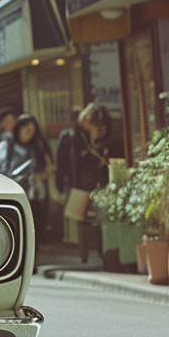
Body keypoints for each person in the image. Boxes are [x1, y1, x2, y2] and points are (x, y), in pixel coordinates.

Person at [0, 113, 53, 244]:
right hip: (13, 194)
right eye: (26, 128)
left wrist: (43, 173)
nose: (29, 132)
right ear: (19, 128)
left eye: (32, 129)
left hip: (35, 195)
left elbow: (49, 165)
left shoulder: (38, 146)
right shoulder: (7, 147)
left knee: (34, 230)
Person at [58, 103, 111, 261]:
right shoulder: (73, 135)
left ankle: (102, 250)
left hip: (100, 180)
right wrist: (62, 180)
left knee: (99, 216)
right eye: (86, 118)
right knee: (82, 218)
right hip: (81, 181)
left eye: (91, 120)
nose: (87, 122)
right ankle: (84, 253)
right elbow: (64, 160)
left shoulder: (103, 134)